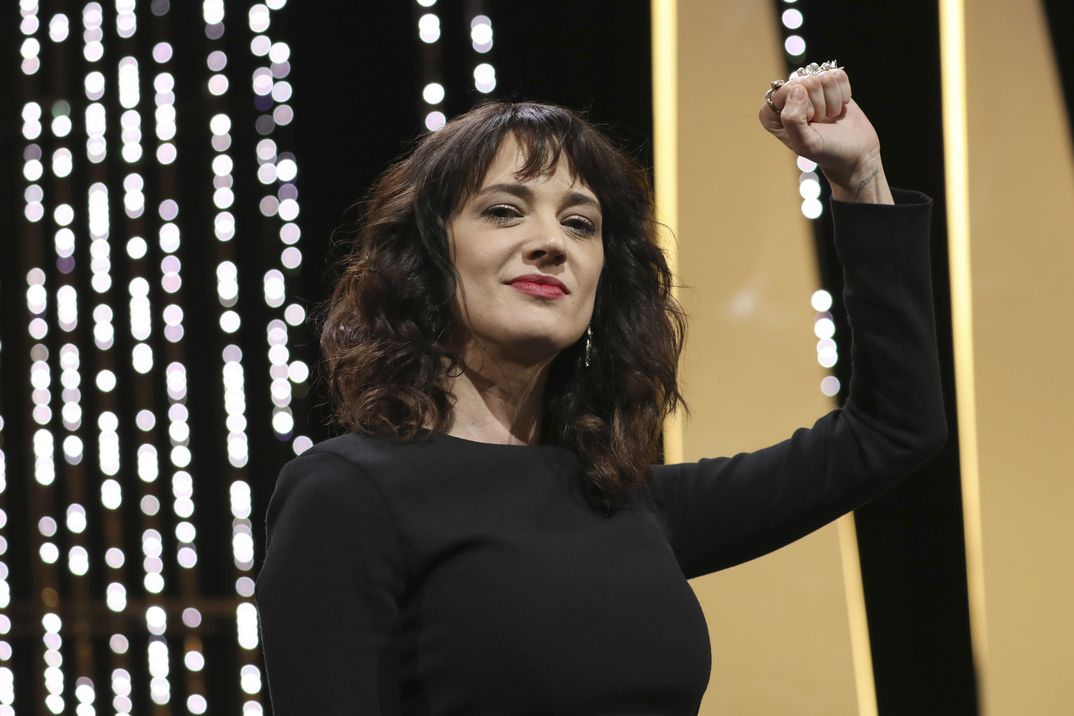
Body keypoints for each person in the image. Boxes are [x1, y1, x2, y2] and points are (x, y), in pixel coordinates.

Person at [254, 63, 947, 715]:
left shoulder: (625, 500)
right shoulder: (346, 493)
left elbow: (892, 430)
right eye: (504, 211)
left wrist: (861, 176)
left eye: (580, 223)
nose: (550, 242)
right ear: (429, 258)